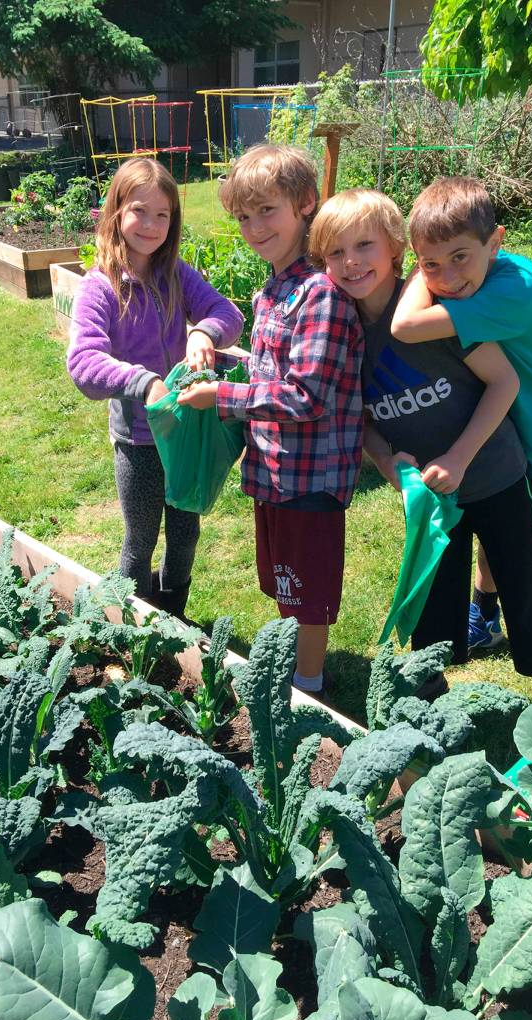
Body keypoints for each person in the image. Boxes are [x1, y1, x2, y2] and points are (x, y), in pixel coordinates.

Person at [309, 187, 532, 682]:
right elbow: (359, 418)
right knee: (433, 609)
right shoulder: (339, 330)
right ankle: (432, 709)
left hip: (496, 476)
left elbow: (504, 381)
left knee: (527, 593)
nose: (351, 262)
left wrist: (461, 456)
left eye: (364, 246)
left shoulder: (436, 310)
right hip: (429, 498)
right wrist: (389, 464)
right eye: (336, 252)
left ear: (396, 249)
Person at [177, 144, 364, 694]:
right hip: (276, 471)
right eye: (243, 216)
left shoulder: (320, 294)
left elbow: (306, 396)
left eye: (267, 210)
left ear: (306, 202)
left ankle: (309, 685)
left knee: (308, 591)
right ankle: (295, 665)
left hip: (310, 477)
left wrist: (224, 396)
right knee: (285, 577)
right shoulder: (276, 287)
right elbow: (276, 367)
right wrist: (230, 365)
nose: (254, 227)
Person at [391, 177, 532, 676]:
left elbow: (403, 326)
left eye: (460, 257)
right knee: (508, 535)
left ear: (495, 241)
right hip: (513, 437)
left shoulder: (511, 295)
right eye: (432, 264)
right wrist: (435, 262)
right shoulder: (499, 271)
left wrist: (420, 271)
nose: (448, 277)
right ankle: (484, 609)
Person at [66, 157, 243, 617]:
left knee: (186, 533)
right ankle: (132, 625)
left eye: (162, 214)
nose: (150, 224)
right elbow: (83, 363)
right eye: (139, 211)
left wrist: (204, 332)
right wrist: (143, 382)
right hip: (139, 442)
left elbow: (229, 314)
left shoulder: (176, 275)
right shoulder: (100, 287)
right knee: (140, 539)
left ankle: (174, 615)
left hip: (184, 434)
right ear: (116, 213)